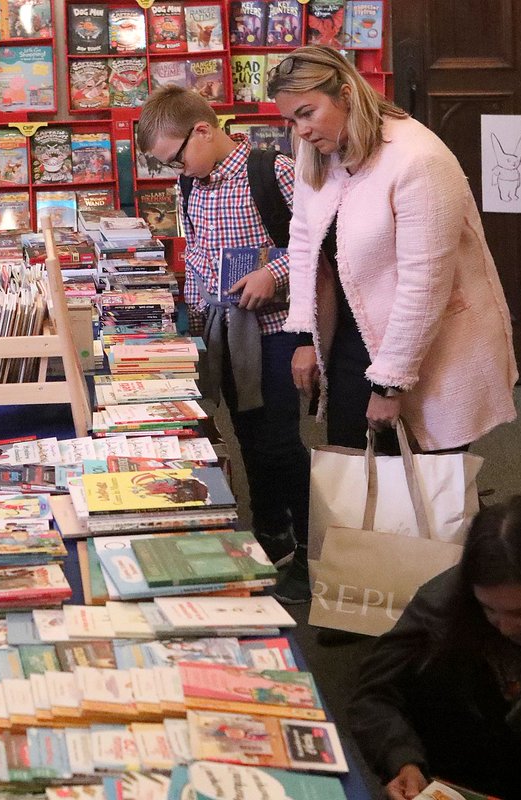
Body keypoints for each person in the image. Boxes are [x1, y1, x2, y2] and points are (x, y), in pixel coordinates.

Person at [266, 45, 517, 454]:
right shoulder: (318, 153)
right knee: (354, 474)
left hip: (430, 346)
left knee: (427, 487)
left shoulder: (419, 159)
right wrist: (304, 334)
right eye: (291, 120)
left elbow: (425, 283)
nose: (301, 131)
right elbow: (303, 241)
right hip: (352, 336)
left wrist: (391, 382)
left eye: (307, 113)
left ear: (346, 95)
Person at [137, 86, 312, 602]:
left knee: (281, 443)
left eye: (178, 157)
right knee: (247, 436)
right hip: (223, 331)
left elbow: (319, 241)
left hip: (278, 331)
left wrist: (273, 275)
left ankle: (310, 550)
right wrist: (188, 327)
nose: (178, 170)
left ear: (204, 129)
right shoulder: (192, 186)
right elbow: (195, 256)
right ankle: (271, 530)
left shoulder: (271, 171)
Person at [349, 496, 521, 800]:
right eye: (489, 609)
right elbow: (374, 694)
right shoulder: (448, 600)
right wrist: (402, 760)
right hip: (478, 765)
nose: (505, 628)